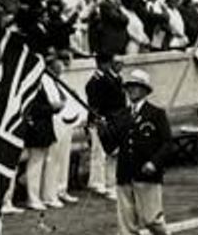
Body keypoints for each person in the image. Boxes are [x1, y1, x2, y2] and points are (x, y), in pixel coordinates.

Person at [112, 69, 171, 235]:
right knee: (126, 224)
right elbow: (111, 146)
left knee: (151, 219)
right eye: (129, 87)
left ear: (145, 90)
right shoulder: (122, 115)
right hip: (125, 173)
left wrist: (154, 162)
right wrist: (102, 130)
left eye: (135, 86)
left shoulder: (156, 114)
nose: (131, 90)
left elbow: (167, 143)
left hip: (147, 174)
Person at [18, 54, 69, 212]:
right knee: (35, 163)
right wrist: (52, 108)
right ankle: (32, 198)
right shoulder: (33, 84)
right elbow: (32, 107)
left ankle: (40, 195)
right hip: (37, 126)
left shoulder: (47, 82)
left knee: (41, 162)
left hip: (45, 125)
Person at [41, 53, 82, 209]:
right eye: (57, 64)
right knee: (53, 159)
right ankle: (49, 195)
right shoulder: (45, 81)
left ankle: (61, 189)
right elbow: (53, 103)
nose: (61, 67)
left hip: (65, 121)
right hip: (54, 121)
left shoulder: (59, 81)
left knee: (64, 157)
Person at [86, 54, 125, 200]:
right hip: (101, 120)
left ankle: (107, 182)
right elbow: (95, 102)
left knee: (110, 152)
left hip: (112, 119)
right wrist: (97, 118)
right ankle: (97, 182)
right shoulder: (97, 80)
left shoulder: (113, 79)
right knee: (99, 152)